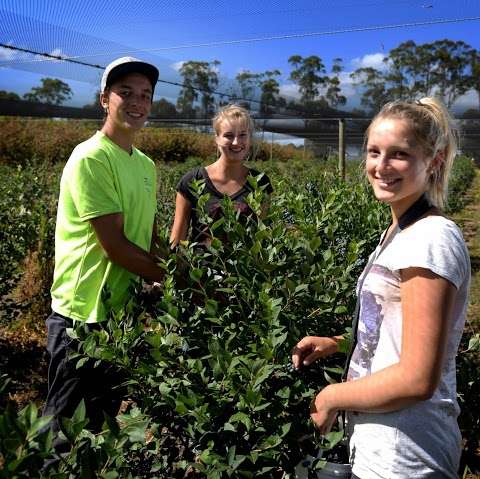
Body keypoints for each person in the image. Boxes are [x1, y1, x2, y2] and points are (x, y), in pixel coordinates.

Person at [292, 97, 470, 478]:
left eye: (399, 154)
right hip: (382, 446)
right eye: (374, 152)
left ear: (434, 162)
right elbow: (402, 330)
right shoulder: (400, 230)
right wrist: (340, 343)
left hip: (406, 454)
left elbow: (417, 378)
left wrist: (331, 397)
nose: (381, 166)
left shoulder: (430, 238)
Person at [44, 57, 165, 443]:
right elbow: (114, 246)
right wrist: (178, 279)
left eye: (145, 95)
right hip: (82, 316)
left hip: (120, 317)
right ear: (104, 100)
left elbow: (148, 236)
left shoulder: (145, 165)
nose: (137, 102)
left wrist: (182, 264)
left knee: (99, 429)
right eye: (125, 92)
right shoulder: (91, 157)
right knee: (64, 434)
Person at [170, 104, 273, 246]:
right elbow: (177, 240)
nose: (236, 142)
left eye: (242, 135)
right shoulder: (193, 180)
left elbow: (263, 239)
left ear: (249, 138)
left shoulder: (260, 182)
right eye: (228, 136)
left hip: (244, 268)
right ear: (217, 138)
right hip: (202, 267)